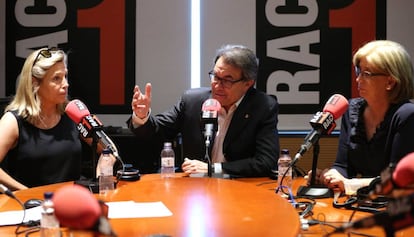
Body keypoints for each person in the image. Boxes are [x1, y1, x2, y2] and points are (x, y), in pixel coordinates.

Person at [128, 44, 279, 177]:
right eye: (215, 76)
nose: (217, 85)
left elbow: (265, 162)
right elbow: (158, 132)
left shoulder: (263, 106)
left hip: (239, 188)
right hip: (194, 188)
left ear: (247, 83)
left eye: (227, 80)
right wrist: (142, 116)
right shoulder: (192, 101)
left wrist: (213, 169)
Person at [312, 40, 414, 194]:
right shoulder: (352, 110)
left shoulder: (407, 115)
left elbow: (398, 179)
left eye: (367, 74)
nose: (358, 79)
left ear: (390, 82)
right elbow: (343, 166)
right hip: (361, 203)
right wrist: (330, 177)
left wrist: (350, 184)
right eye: (358, 71)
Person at [0, 48, 90, 190]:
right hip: (30, 206)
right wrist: (27, 193)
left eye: (65, 76)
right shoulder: (12, 121)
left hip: (71, 203)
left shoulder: (73, 114)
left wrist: (106, 161)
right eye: (56, 78)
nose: (66, 84)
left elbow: (108, 149)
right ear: (35, 83)